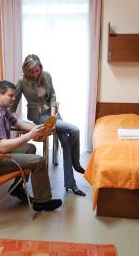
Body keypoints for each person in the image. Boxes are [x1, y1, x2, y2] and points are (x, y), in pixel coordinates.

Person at [0, 80, 62, 212]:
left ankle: (16, 187)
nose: (14, 98)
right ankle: (42, 202)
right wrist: (29, 135)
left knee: (30, 148)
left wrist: (39, 129)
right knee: (38, 161)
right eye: (11, 95)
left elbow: (19, 123)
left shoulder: (2, 110)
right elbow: (3, 147)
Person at [10, 54, 86, 197]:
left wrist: (53, 116)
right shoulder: (21, 81)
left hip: (52, 114)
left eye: (37, 70)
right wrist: (5, 115)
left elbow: (52, 97)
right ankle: (76, 165)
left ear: (40, 68)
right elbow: (14, 102)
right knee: (74, 129)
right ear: (26, 71)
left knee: (67, 143)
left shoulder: (47, 76)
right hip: (38, 117)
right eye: (31, 72)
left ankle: (71, 185)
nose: (35, 74)